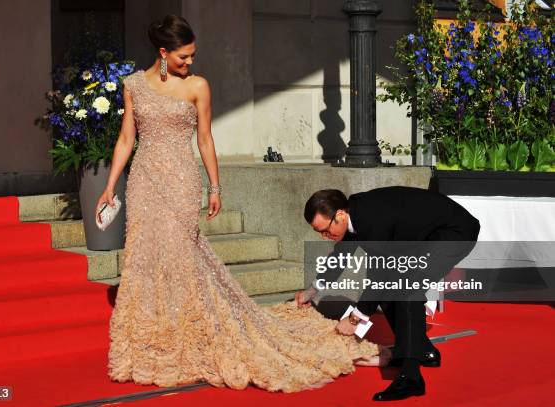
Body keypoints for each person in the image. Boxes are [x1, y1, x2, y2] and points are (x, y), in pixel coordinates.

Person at [97, 15, 387, 393]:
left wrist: (215, 187)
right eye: (184, 57)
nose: (190, 63)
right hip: (143, 183)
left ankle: (190, 332)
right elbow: (125, 139)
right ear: (163, 52)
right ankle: (156, 337)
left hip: (182, 183)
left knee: (181, 254)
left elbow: (204, 139)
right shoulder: (133, 85)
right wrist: (109, 186)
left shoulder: (198, 86)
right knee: (146, 255)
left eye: (193, 55)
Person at [297, 187, 480, 401]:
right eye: (319, 233)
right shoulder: (353, 216)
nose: (324, 237)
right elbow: (342, 255)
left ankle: (411, 378)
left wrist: (355, 318)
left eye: (325, 231)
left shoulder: (371, 220)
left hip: (454, 232)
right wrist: (313, 290)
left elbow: (380, 276)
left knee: (407, 286)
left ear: (339, 215)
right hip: (423, 237)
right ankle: (422, 350)